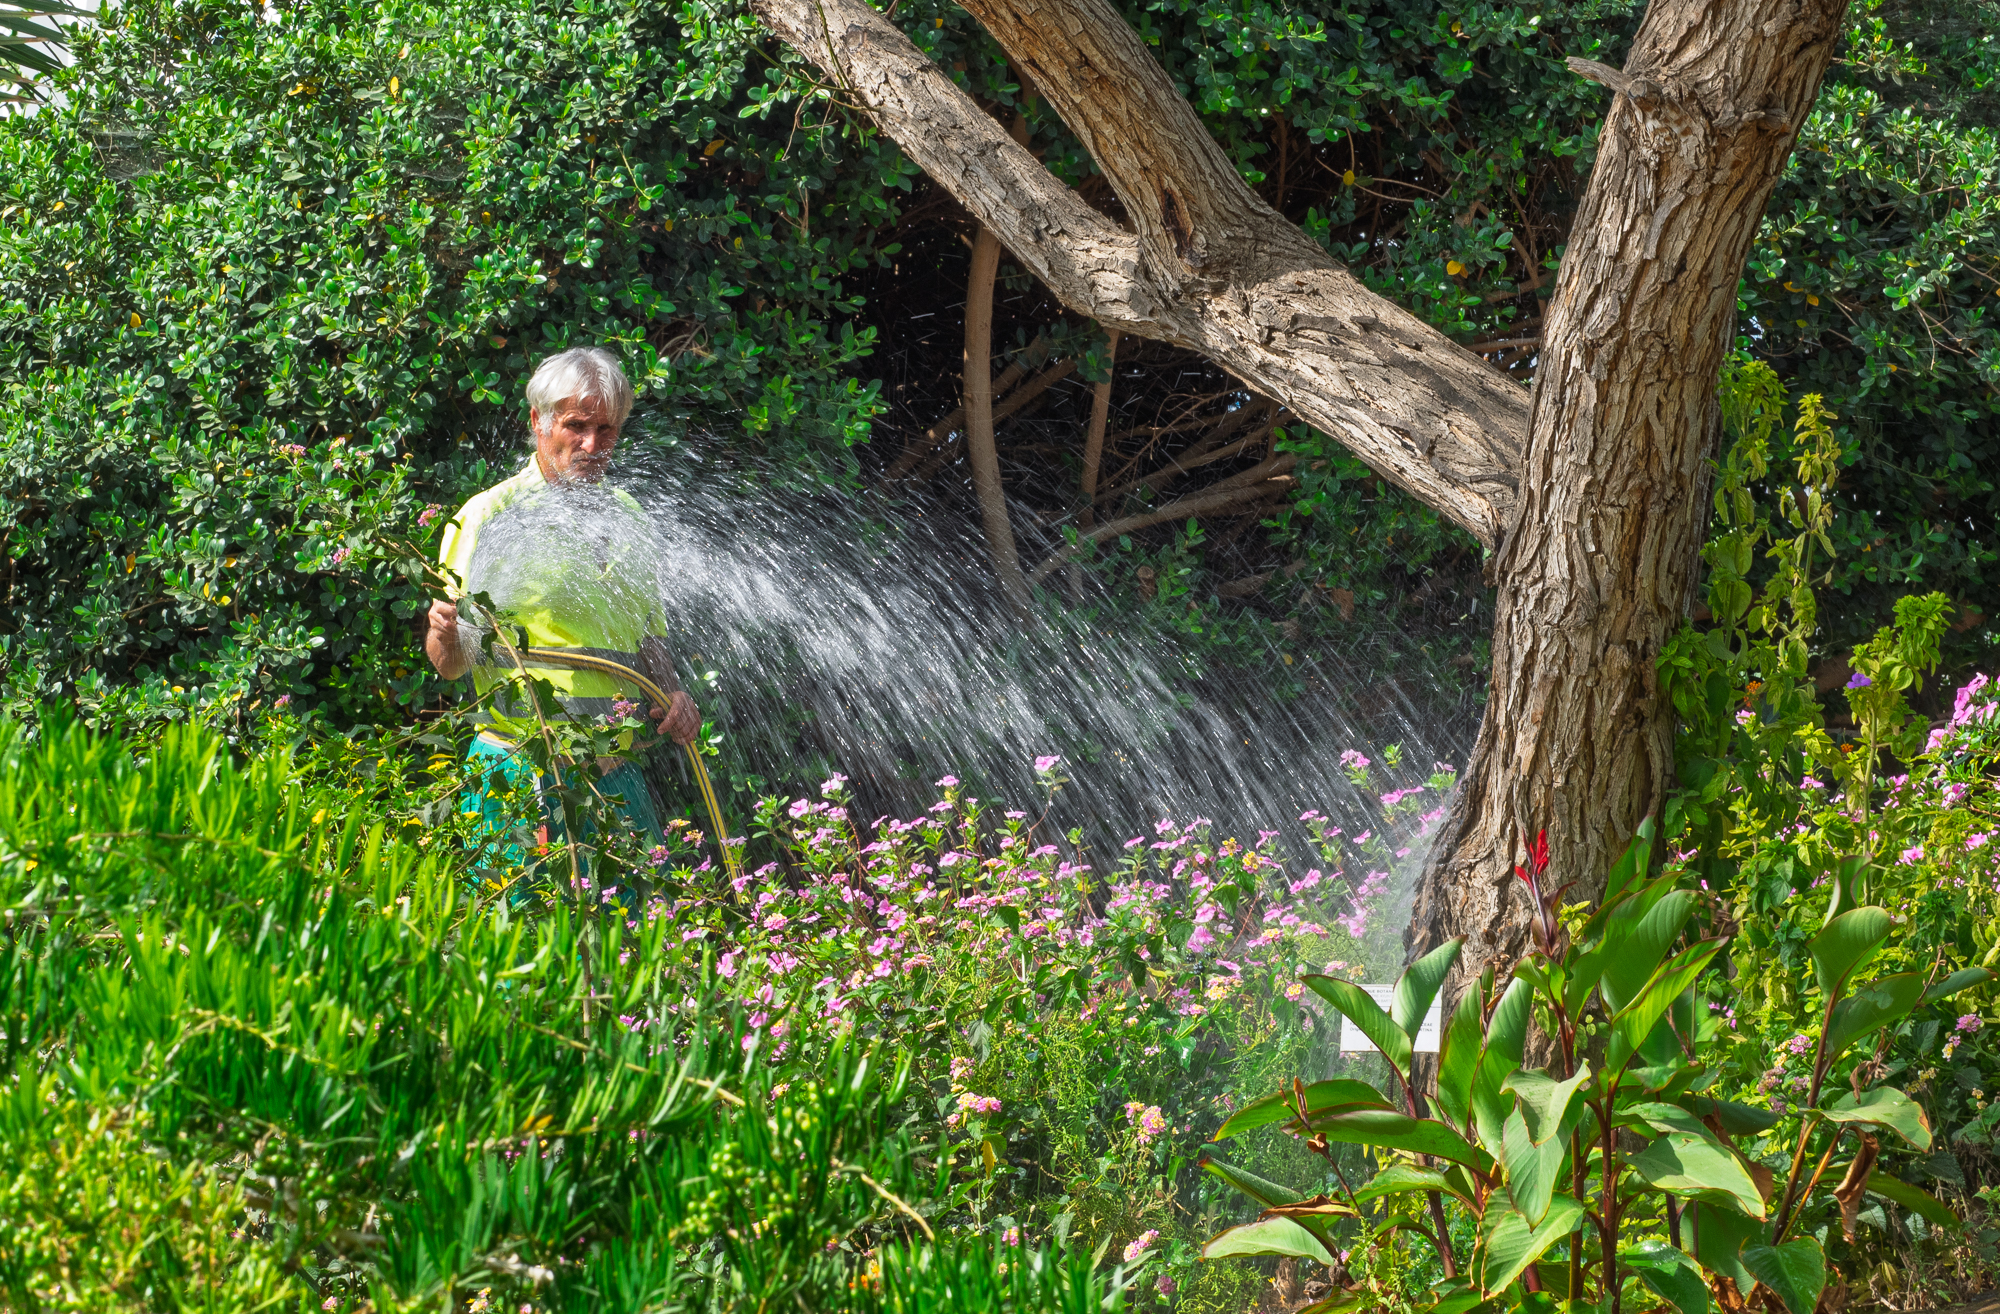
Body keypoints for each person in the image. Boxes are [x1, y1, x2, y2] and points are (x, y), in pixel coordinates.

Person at [423, 346, 699, 849]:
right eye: (576, 425)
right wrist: (445, 634)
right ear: (539, 422)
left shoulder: (632, 517)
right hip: (517, 774)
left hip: (616, 777)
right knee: (515, 905)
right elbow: (450, 667)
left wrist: (673, 695)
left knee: (639, 904)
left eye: (607, 429)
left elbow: (647, 636)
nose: (592, 443)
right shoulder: (488, 516)